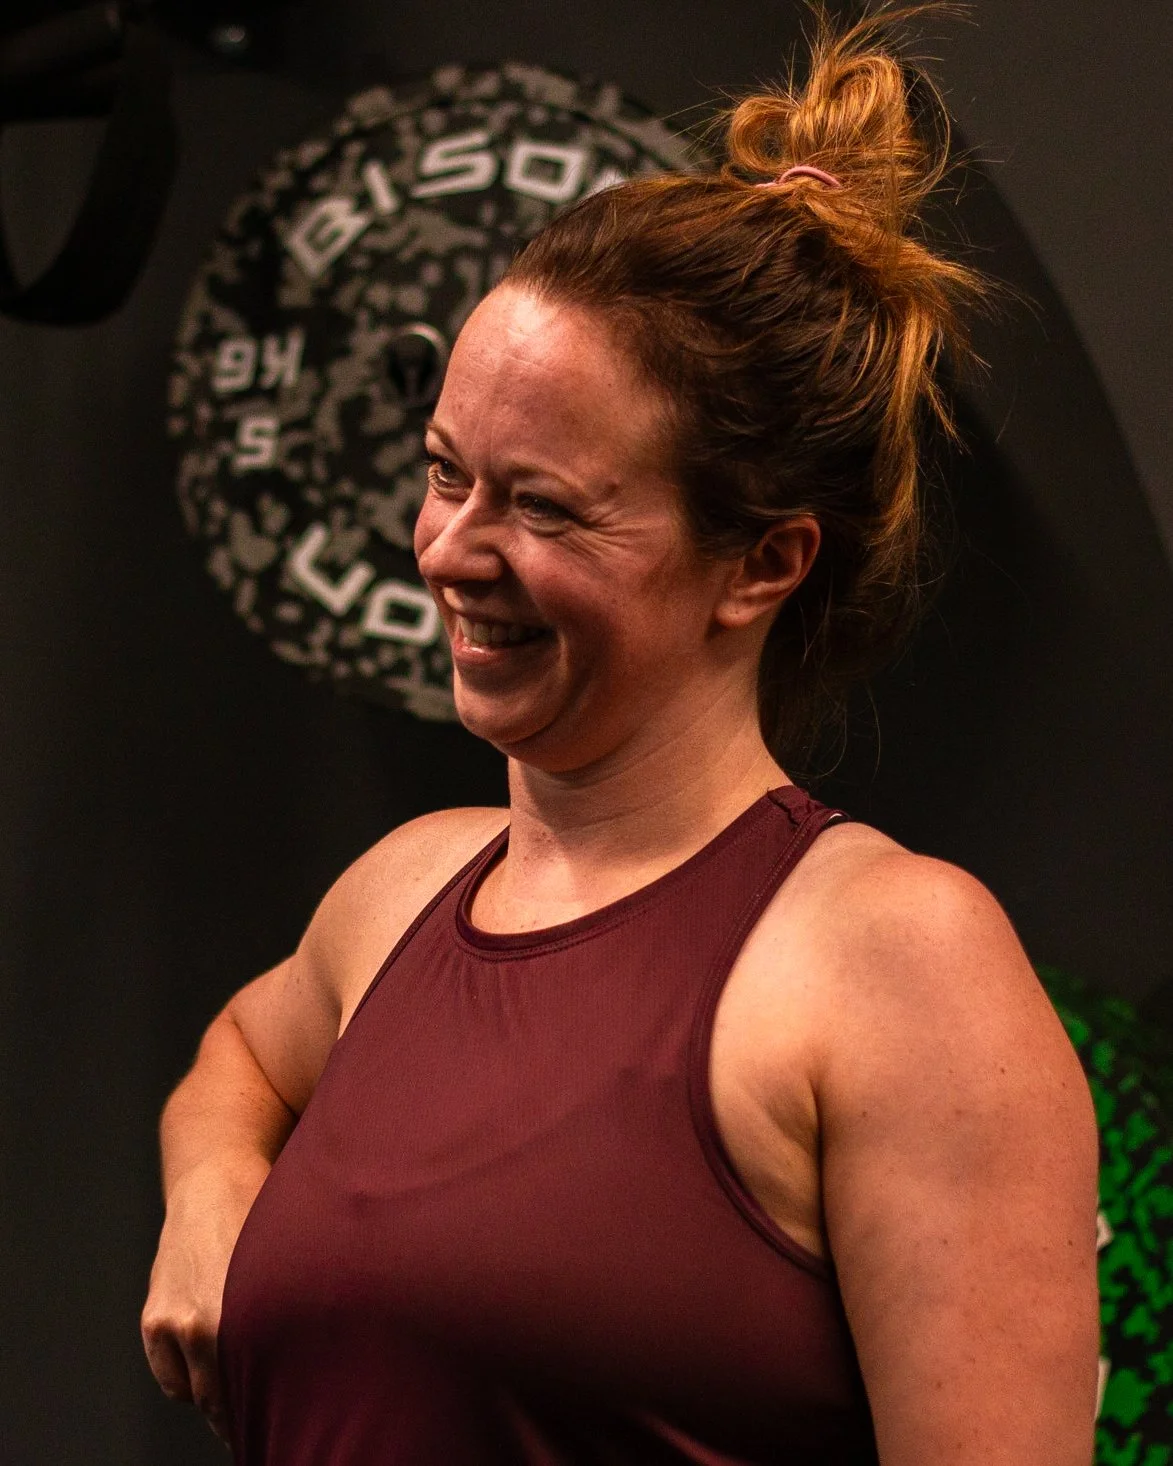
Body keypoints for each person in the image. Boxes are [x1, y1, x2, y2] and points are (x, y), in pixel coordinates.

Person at [141, 9, 1101, 1463]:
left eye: (541, 506)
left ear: (762, 564)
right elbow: (238, 1060)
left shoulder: (898, 967)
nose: (452, 550)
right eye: (446, 473)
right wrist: (211, 1187)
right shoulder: (405, 890)